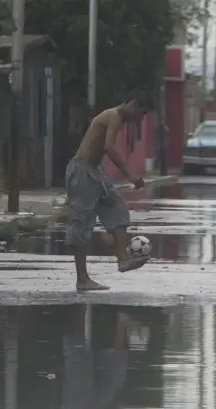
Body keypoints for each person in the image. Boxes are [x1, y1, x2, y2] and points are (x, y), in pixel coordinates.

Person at [65, 88, 153, 291]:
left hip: (94, 172)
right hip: (82, 172)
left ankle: (123, 259)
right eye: (142, 113)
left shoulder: (116, 118)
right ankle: (82, 279)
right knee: (81, 223)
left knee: (116, 207)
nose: (141, 119)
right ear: (133, 104)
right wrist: (129, 174)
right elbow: (109, 147)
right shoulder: (114, 116)